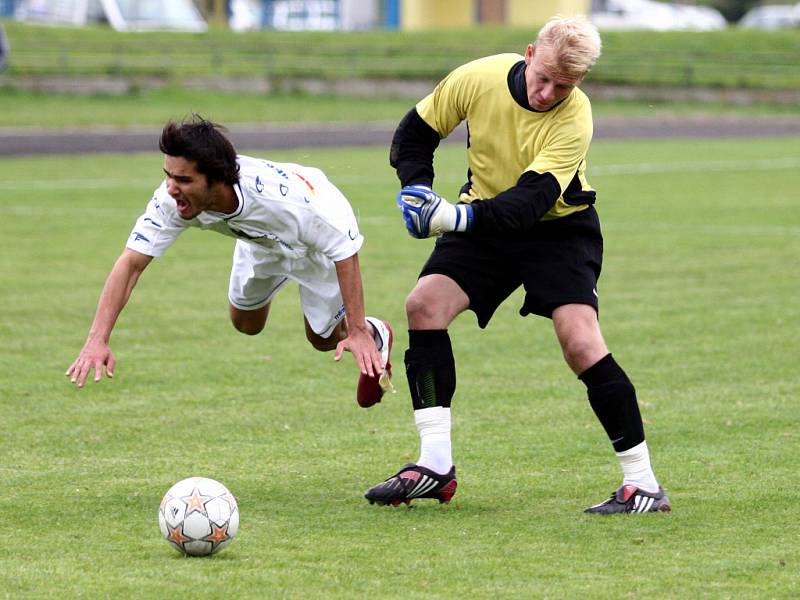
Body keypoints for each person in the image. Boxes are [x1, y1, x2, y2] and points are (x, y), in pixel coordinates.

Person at [364, 15, 670, 514]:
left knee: (580, 340)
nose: (549, 92)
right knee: (424, 306)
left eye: (564, 85)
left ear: (581, 82)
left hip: (557, 230)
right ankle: (435, 466)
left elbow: (529, 203)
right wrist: (415, 190)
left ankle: (643, 484)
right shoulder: (478, 78)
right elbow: (413, 135)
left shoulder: (576, 117)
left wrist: (448, 216)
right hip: (482, 221)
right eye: (543, 76)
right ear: (529, 53)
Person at [66, 115, 393, 409]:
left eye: (183, 180)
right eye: (168, 175)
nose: (171, 188)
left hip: (314, 245)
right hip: (261, 239)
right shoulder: (172, 200)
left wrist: (359, 328)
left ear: (217, 179)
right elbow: (130, 264)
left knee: (321, 339)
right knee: (246, 324)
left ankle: (375, 334)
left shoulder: (292, 208)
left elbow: (344, 251)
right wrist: (98, 338)